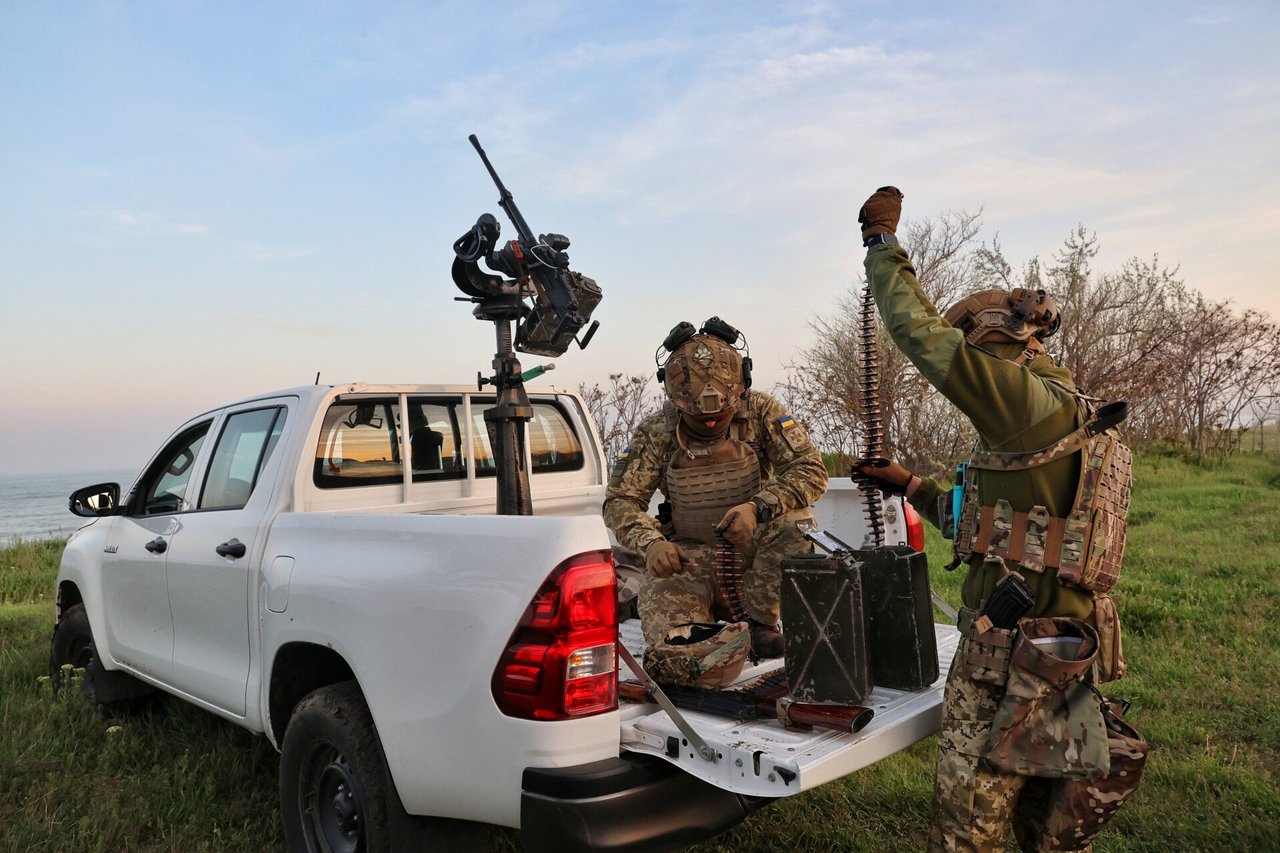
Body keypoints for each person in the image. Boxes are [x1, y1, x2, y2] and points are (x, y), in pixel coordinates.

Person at [855, 187, 1144, 852]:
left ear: (992, 342)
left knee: (969, 828)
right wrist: (910, 484)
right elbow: (1016, 529)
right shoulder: (1067, 410)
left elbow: (913, 331)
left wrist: (881, 244)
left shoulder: (1018, 400)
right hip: (1066, 655)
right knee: (1049, 824)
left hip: (1003, 662)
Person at [603, 317, 828, 660]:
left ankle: (759, 623)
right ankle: (708, 630)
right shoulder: (657, 431)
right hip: (688, 560)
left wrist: (758, 507)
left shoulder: (762, 411)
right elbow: (620, 501)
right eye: (699, 418)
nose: (710, 422)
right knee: (680, 654)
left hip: (752, 555)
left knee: (798, 523)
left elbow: (811, 470)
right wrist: (651, 545)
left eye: (720, 415)